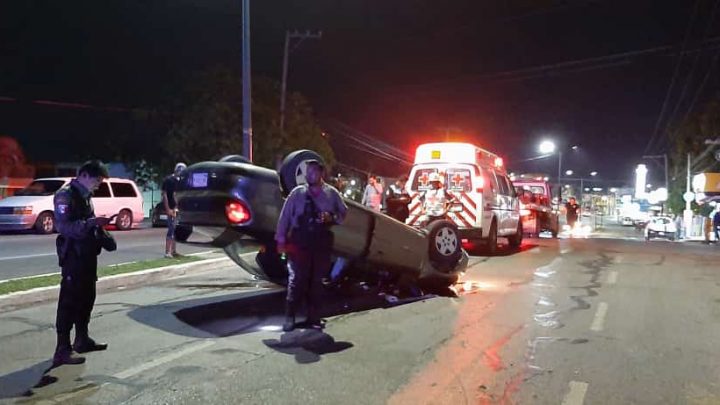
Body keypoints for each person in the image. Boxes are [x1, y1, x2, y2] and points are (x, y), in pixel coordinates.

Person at [52, 160, 114, 366]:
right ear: (85, 175)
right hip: (73, 257)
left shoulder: (86, 196)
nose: (99, 184)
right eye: (97, 180)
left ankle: (82, 339)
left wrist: (100, 230)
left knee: (87, 298)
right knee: (69, 301)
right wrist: (90, 224)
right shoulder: (65, 195)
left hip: (87, 256)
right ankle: (62, 349)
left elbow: (89, 221)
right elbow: (64, 227)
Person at [275, 160, 348, 331]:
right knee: (297, 280)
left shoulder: (331, 194)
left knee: (317, 282)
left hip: (321, 243)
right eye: (308, 171)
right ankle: (290, 317)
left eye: (313, 171)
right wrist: (280, 240)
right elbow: (284, 217)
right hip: (299, 242)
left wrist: (332, 218)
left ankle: (314, 317)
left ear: (321, 173)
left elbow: (343, 213)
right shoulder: (297, 193)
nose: (309, 174)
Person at [161, 162, 187, 258]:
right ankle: (167, 252)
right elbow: (165, 195)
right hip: (171, 208)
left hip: (177, 208)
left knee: (175, 229)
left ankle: (174, 250)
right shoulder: (169, 180)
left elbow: (178, 195)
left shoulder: (179, 181)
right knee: (171, 229)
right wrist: (168, 209)